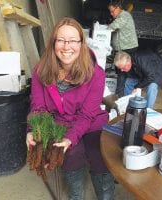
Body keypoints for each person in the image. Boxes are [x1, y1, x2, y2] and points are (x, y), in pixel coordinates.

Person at [26, 17, 115, 200]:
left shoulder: (96, 73)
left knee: (99, 151)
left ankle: (106, 196)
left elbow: (87, 114)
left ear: (81, 43)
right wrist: (33, 129)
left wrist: (71, 137)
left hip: (90, 122)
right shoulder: (40, 71)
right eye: (61, 40)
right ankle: (76, 196)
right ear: (53, 42)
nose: (67, 47)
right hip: (59, 123)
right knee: (71, 152)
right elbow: (38, 107)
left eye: (73, 40)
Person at [108, 0, 138, 97]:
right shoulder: (121, 16)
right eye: (110, 12)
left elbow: (113, 26)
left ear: (118, 8)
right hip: (122, 49)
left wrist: (101, 30)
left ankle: (122, 97)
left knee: (123, 73)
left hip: (127, 49)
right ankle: (121, 95)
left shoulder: (124, 15)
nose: (111, 14)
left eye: (112, 11)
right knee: (120, 72)